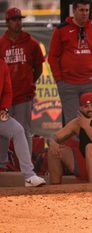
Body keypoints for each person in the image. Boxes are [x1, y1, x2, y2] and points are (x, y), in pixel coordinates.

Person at [0, 7, 45, 167]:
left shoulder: (31, 43)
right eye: (14, 19)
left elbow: (38, 67)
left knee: (24, 131)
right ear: (7, 22)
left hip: (23, 96)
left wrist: (28, 82)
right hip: (4, 98)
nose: (18, 22)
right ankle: (3, 165)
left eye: (20, 19)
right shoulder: (1, 43)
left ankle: (26, 165)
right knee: (3, 132)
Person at [48, 0, 92, 125]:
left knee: (91, 121)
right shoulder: (61, 30)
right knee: (73, 123)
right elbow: (52, 57)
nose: (85, 13)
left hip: (90, 83)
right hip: (68, 84)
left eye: (87, 10)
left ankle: (89, 145)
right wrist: (59, 80)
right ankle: (74, 145)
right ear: (74, 11)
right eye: (81, 10)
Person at [0, 59, 46, 187]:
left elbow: (7, 91)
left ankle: (29, 176)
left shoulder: (2, 63)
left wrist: (4, 109)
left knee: (18, 130)